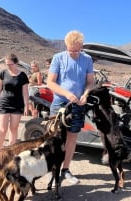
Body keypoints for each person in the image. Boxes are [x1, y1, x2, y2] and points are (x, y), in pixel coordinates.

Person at [47, 30, 94, 184]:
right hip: (60, 102)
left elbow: (90, 82)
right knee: (55, 138)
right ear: (66, 46)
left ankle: (65, 169)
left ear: (81, 46)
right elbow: (51, 82)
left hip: (78, 104)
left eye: (77, 50)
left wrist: (85, 94)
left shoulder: (87, 59)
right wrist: (67, 94)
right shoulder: (58, 58)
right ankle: (52, 170)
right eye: (71, 50)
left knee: (72, 137)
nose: (74, 53)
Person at [0, 53, 29, 152]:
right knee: (2, 129)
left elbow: (25, 93)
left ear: (16, 63)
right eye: (7, 64)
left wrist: (26, 106)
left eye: (10, 64)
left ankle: (11, 153)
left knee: (13, 128)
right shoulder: (3, 73)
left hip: (17, 105)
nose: (8, 66)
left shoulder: (23, 76)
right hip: (4, 104)